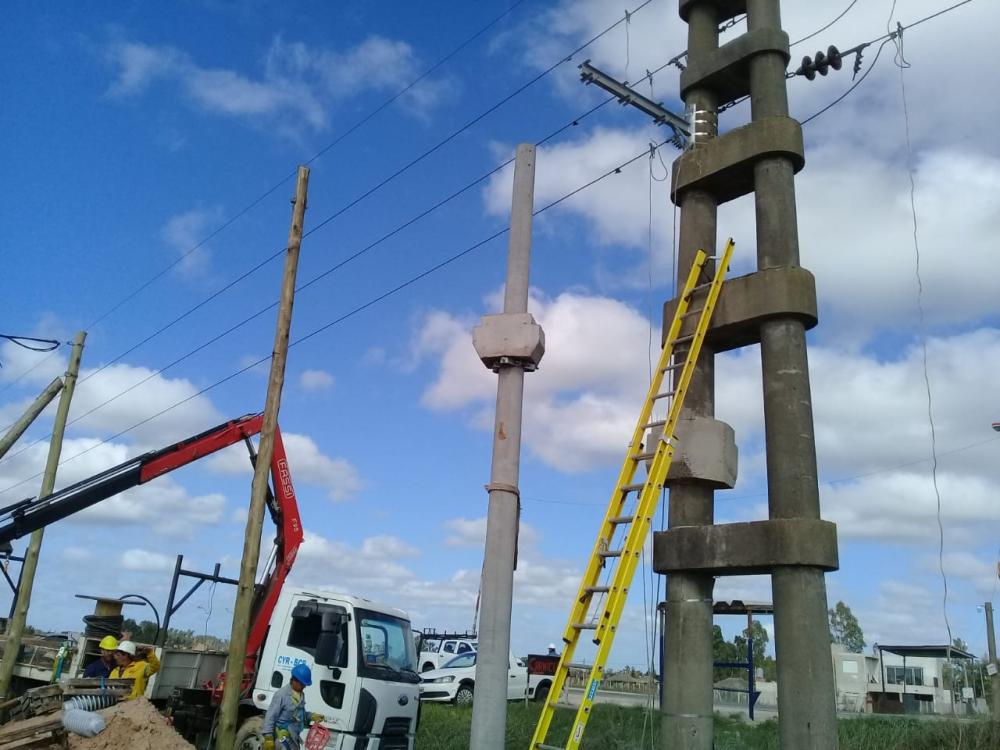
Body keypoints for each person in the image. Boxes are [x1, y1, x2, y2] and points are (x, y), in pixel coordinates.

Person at [262, 664, 324, 750]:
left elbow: (298, 714)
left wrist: (311, 716)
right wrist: (268, 738)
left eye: (305, 684)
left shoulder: (301, 695)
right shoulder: (281, 694)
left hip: (294, 738)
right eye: (302, 684)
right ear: (294, 680)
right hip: (282, 738)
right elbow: (270, 716)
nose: (304, 687)